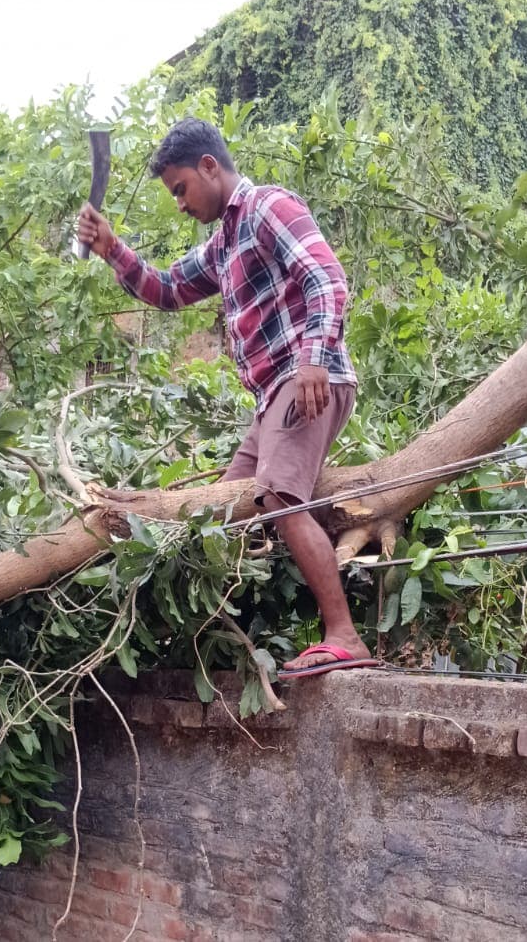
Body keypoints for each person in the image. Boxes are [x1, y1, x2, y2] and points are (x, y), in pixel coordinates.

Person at [75, 117, 376, 679]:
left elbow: (327, 279)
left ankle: (344, 636)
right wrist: (112, 247)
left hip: (308, 377)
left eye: (181, 188)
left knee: (280, 497)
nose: (180, 204)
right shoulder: (222, 245)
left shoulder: (267, 207)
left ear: (210, 166)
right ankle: (221, 645)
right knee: (217, 516)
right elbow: (165, 290)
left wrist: (312, 360)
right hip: (272, 400)